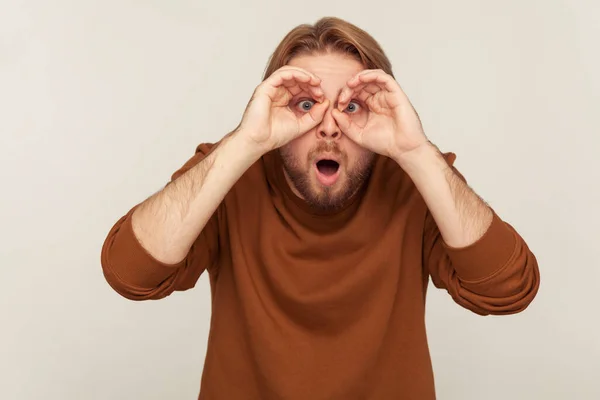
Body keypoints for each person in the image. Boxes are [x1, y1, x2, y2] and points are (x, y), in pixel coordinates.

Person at [100, 16, 540, 400]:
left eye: (351, 107)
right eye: (306, 105)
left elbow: (508, 291)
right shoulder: (231, 173)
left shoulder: (414, 180)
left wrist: (415, 150)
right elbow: (131, 273)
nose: (329, 128)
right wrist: (246, 141)